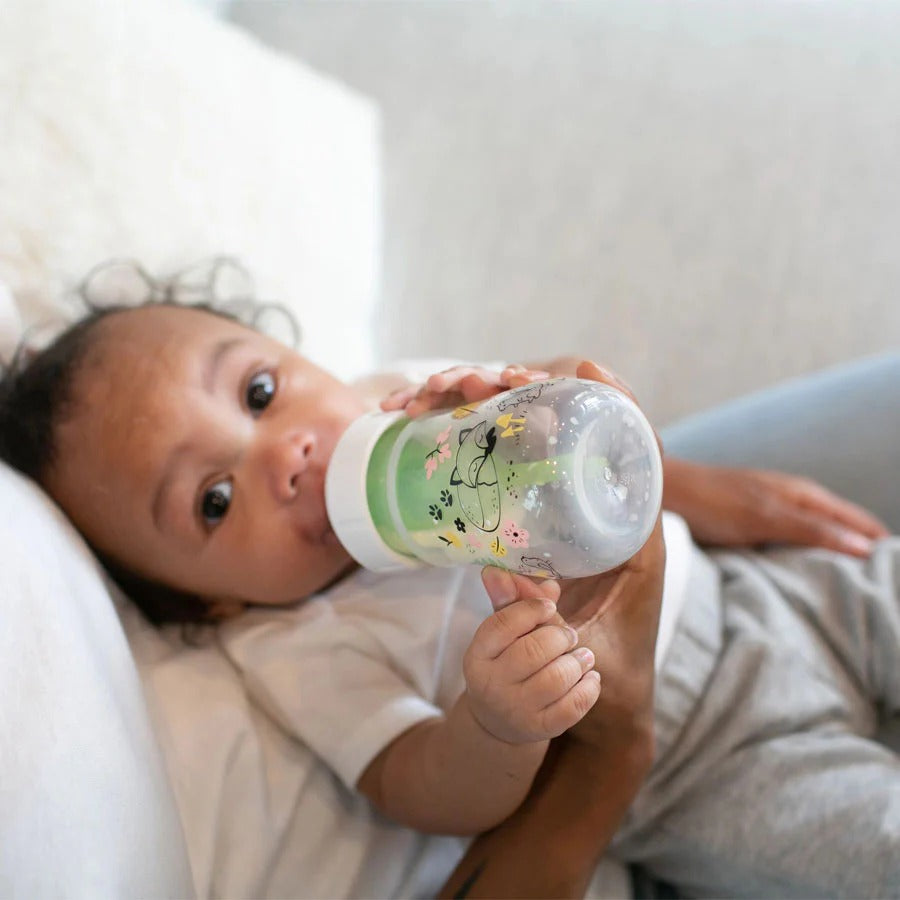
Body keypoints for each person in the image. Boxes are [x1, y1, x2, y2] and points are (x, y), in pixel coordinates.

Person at [0, 289, 897, 898]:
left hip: (763, 593)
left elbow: (568, 417)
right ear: (212, 604)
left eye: (260, 391)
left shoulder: (401, 399)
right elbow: (421, 784)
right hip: (703, 763)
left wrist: (672, 470)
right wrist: (498, 725)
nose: (282, 457)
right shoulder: (296, 644)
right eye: (214, 502)